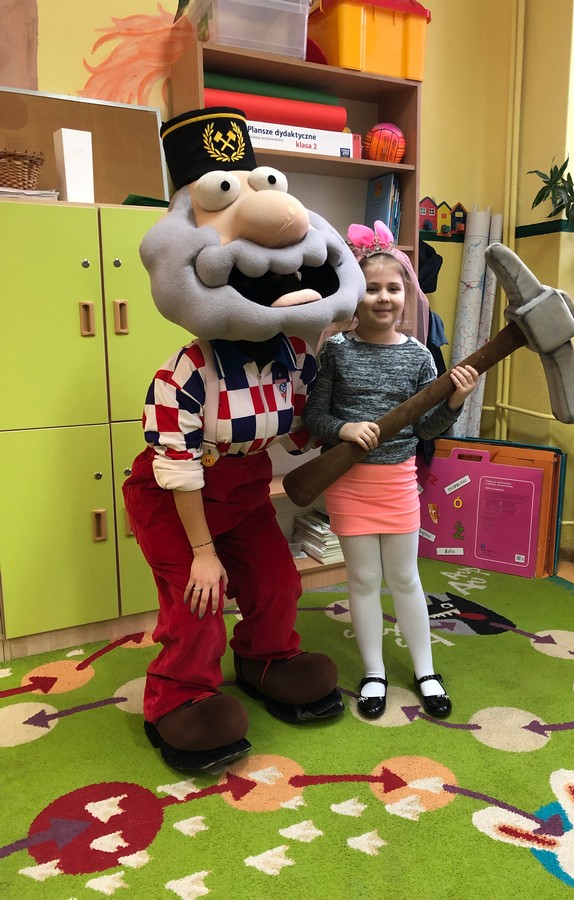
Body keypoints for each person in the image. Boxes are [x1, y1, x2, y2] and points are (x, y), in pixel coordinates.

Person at [122, 106, 365, 774]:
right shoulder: (184, 374)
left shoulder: (296, 357)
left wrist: (352, 426)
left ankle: (266, 660)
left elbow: (307, 424)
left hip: (245, 490)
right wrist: (203, 554)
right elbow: (176, 468)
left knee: (277, 580)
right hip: (174, 500)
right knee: (197, 600)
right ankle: (177, 699)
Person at [302, 221, 479, 719]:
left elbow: (425, 429)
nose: (383, 298)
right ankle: (374, 672)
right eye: (372, 288)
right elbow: (314, 415)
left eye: (393, 289)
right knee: (362, 580)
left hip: (398, 482)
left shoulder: (421, 356)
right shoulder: (335, 350)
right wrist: (344, 429)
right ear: (355, 297)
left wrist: (456, 401)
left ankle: (426, 671)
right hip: (347, 484)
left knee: (405, 578)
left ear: (407, 296)